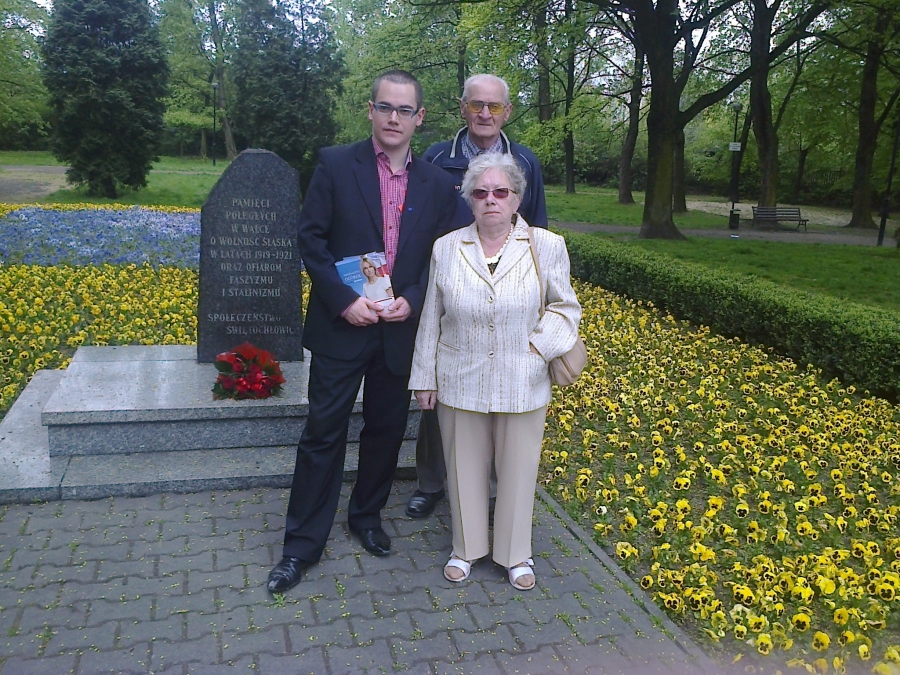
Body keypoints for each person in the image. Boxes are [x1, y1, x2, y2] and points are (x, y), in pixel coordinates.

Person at [267, 70, 458, 593]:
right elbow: (311, 240)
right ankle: (301, 546)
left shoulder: (437, 185)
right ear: (371, 111)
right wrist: (344, 300)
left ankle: (366, 518)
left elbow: (443, 258)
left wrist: (413, 298)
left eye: (404, 110)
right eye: (385, 107)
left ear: (419, 118)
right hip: (343, 326)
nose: (394, 118)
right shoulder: (335, 164)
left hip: (398, 331)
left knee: (385, 431)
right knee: (323, 431)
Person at [408, 153, 581, 590]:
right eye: (481, 192)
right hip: (459, 375)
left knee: (519, 469)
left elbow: (566, 308)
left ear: (516, 198)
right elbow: (431, 317)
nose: (491, 200)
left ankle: (515, 554)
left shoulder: (547, 245)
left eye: (501, 192)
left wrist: (536, 349)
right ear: (469, 199)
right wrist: (424, 377)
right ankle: (465, 549)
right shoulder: (447, 247)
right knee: (462, 467)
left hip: (523, 378)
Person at [407, 73, 549, 519]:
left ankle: (493, 487)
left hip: (507, 293)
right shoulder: (436, 158)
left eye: (494, 106)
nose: (485, 113)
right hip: (450, 289)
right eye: (476, 105)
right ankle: (432, 482)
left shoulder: (524, 161)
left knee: (504, 393)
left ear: (507, 112)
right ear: (462, 108)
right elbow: (418, 224)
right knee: (442, 391)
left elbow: (538, 231)